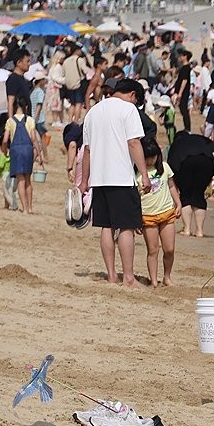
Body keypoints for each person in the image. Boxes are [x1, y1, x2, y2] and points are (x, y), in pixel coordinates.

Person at [81, 78, 152, 286]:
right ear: (132, 95)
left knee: (106, 226)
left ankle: (111, 275)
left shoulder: (93, 112)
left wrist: (84, 181)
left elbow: (87, 150)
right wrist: (144, 174)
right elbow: (133, 142)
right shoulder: (128, 110)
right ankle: (128, 277)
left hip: (99, 177)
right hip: (121, 176)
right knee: (126, 227)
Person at [138, 137, 181, 287]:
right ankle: (154, 280)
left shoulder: (164, 167)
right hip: (147, 216)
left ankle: (167, 277)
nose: (150, 160)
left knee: (169, 249)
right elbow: (135, 198)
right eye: (146, 157)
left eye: (153, 157)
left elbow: (171, 186)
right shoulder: (137, 174)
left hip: (167, 213)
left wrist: (178, 203)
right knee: (153, 250)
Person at [168, 131, 214, 238]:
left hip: (185, 162)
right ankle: (199, 231)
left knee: (186, 195)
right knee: (199, 195)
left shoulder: (177, 143)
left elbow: (171, 168)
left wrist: (176, 190)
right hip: (206, 162)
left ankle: (187, 229)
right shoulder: (200, 139)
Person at [1, 94, 44, 214]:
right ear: (26, 106)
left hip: (16, 150)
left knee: (20, 180)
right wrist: (40, 155)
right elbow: (34, 139)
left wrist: (5, 151)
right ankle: (30, 207)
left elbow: (5, 140)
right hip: (28, 149)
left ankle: (24, 208)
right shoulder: (30, 120)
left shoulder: (10, 121)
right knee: (28, 180)